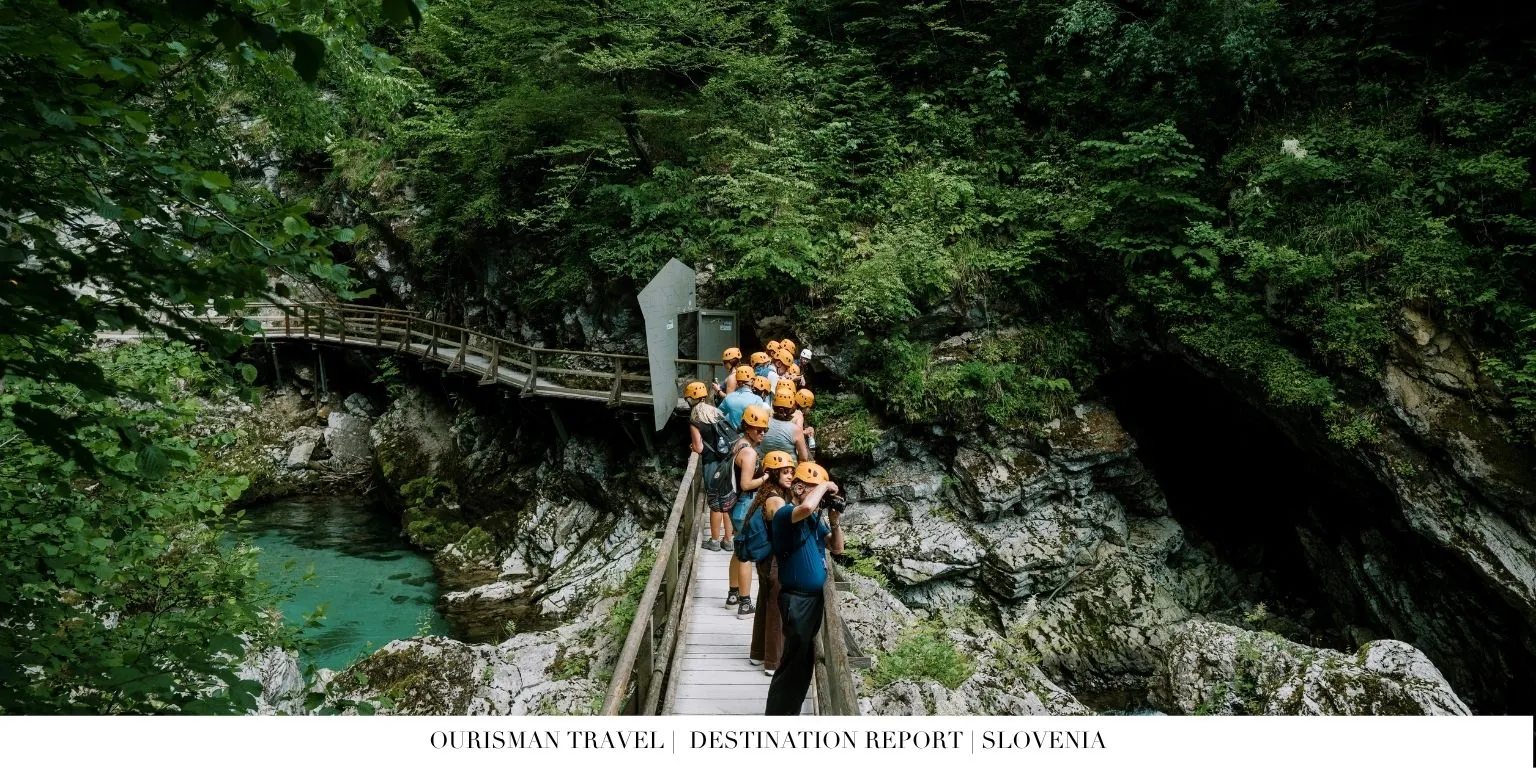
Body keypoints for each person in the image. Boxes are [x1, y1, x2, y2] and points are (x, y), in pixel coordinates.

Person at [764, 462, 843, 715]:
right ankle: (777, 715)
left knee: (803, 661)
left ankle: (791, 712)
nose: (820, 497)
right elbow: (807, 506)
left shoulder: (812, 522)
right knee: (792, 662)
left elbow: (837, 547)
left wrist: (835, 521)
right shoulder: (786, 515)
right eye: (812, 488)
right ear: (798, 488)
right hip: (796, 600)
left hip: (812, 599)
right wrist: (825, 485)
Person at [746, 450, 795, 677]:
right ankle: (773, 662)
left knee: (765, 602)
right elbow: (785, 531)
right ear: (773, 473)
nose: (790, 475)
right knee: (776, 607)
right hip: (776, 559)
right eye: (785, 471)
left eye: (792, 471)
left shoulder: (766, 493)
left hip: (765, 560)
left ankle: (757, 653)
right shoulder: (776, 500)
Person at [725, 403, 772, 616]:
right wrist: (765, 478)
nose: (761, 433)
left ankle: (733, 593)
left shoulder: (738, 444)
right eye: (757, 429)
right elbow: (745, 484)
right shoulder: (750, 453)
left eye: (764, 430)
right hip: (744, 506)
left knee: (737, 549)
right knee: (745, 554)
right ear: (747, 428)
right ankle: (745, 602)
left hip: (735, 505)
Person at [687, 381, 735, 552]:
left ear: (690, 399)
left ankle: (714, 541)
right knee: (728, 502)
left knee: (715, 504)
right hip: (727, 462)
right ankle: (729, 541)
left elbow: (699, 447)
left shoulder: (695, 419)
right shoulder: (716, 412)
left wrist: (693, 447)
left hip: (711, 465)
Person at [762, 389, 810, 462]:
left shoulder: (763, 421)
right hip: (787, 466)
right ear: (792, 409)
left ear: (774, 406)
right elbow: (803, 457)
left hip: (765, 463)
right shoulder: (796, 430)